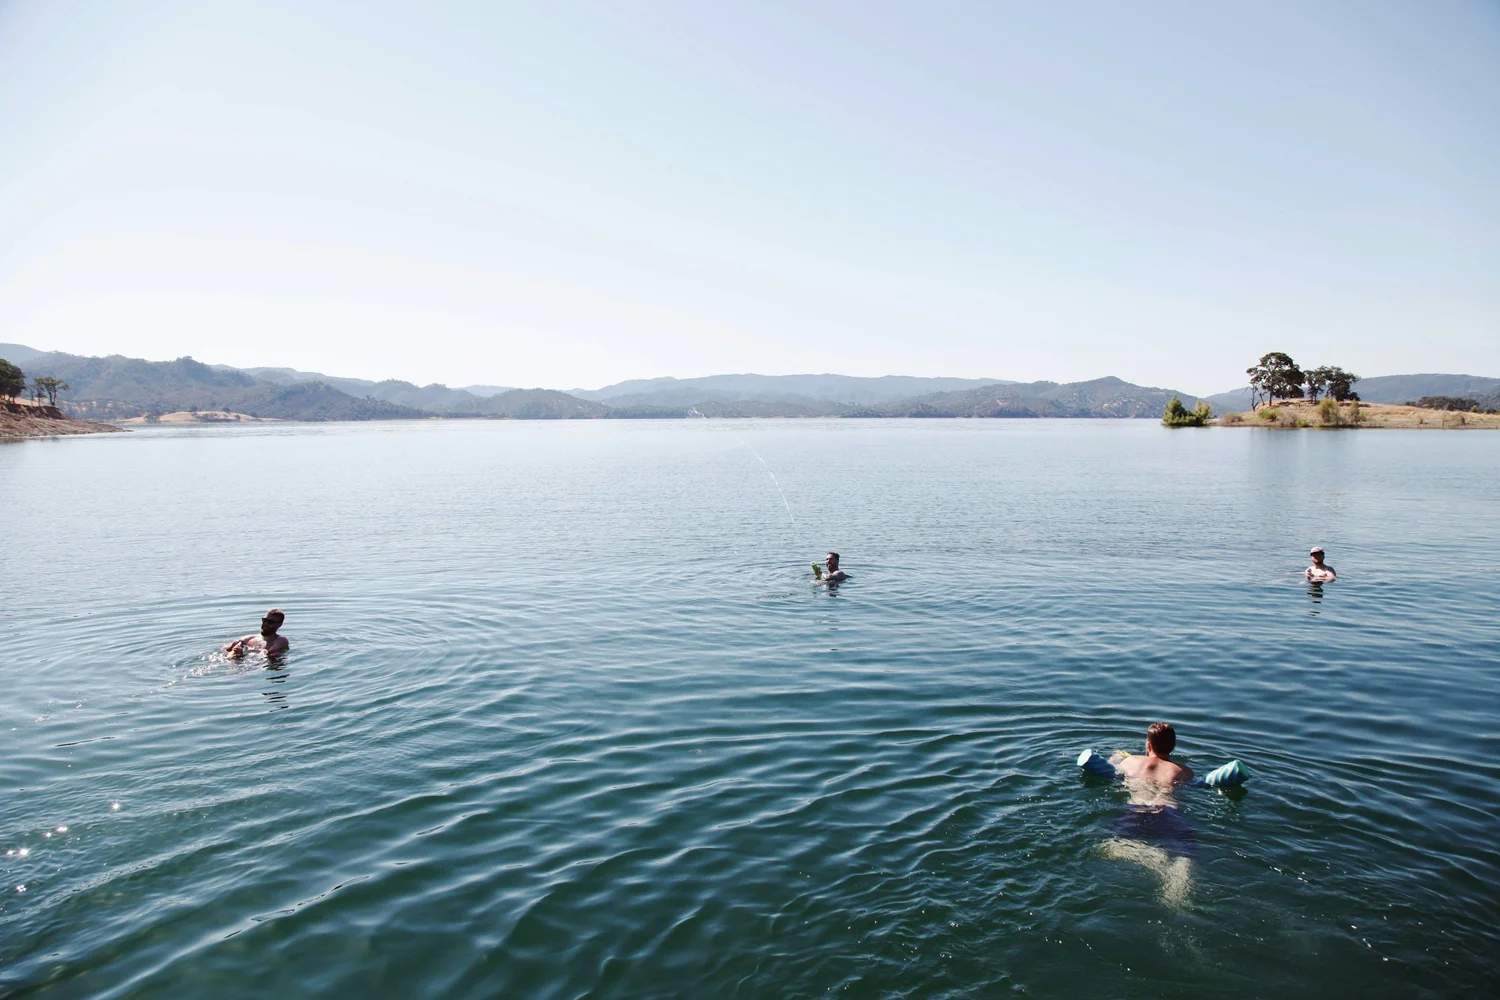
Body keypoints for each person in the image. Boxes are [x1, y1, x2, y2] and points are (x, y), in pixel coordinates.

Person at [1103, 723, 1196, 906]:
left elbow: (1107, 770)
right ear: (1173, 746)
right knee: (1184, 855)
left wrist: (1116, 756)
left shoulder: (1130, 762)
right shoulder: (1184, 771)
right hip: (1168, 812)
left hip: (1136, 810)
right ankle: (1177, 891)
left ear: (1148, 745)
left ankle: (1153, 856)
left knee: (1110, 847)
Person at [224, 608, 289, 658]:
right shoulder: (249, 638)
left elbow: (270, 653)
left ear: (279, 625)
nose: (265, 624)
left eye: (270, 622)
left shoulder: (280, 640)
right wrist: (233, 648)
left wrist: (244, 652)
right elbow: (226, 649)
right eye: (264, 620)